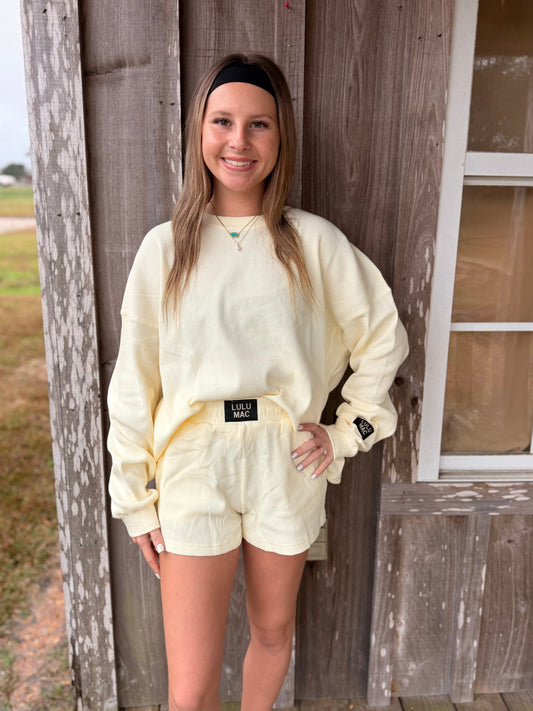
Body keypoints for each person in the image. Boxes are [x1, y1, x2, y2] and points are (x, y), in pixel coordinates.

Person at [107, 52, 409, 711]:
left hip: (283, 459)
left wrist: (345, 432)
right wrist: (134, 496)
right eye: (222, 121)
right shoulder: (165, 248)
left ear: (280, 135)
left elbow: (382, 335)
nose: (238, 141)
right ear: (200, 129)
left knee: (272, 632)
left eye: (258, 124)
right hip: (193, 464)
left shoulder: (313, 242)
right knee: (189, 688)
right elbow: (134, 379)